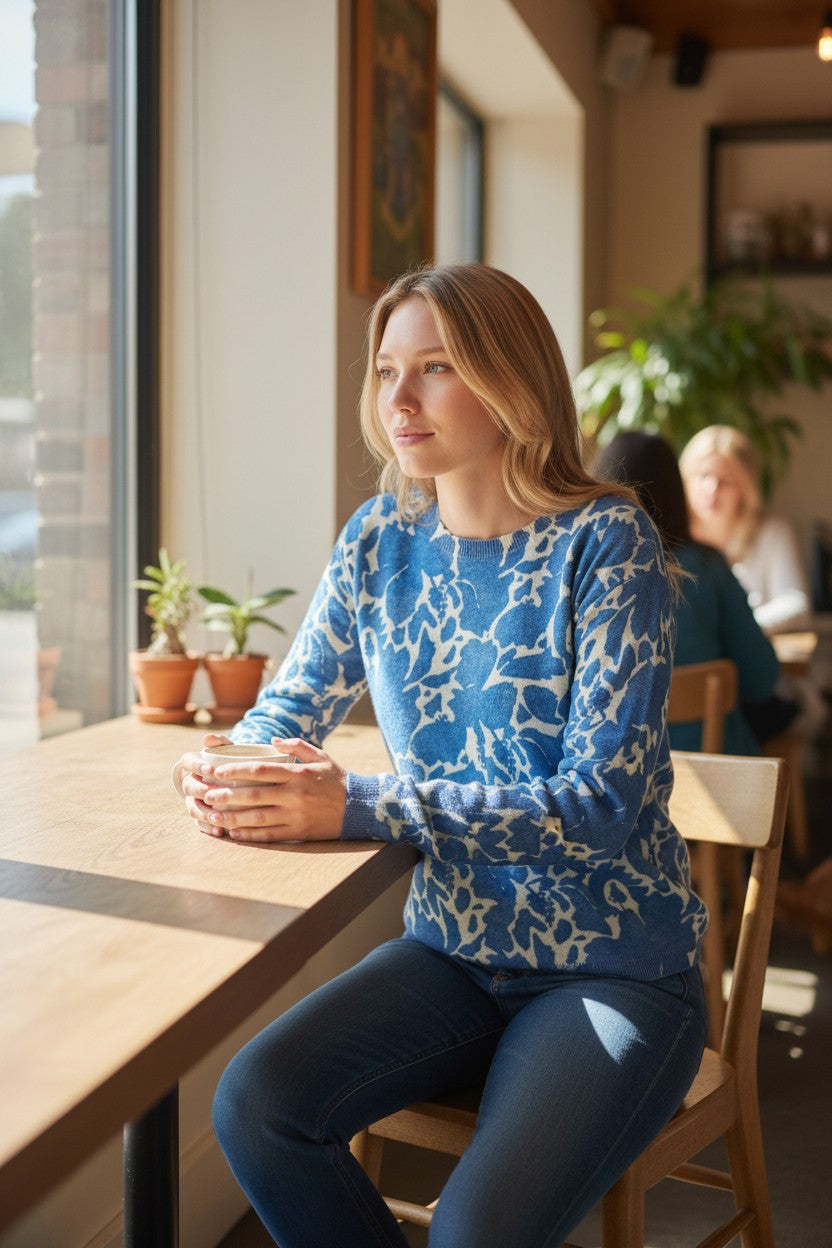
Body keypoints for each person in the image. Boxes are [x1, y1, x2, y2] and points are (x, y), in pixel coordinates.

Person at [173, 263, 707, 1248]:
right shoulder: (379, 539)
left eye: (435, 368)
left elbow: (598, 806)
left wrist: (359, 804)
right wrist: (229, 767)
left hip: (613, 968)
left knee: (472, 1233)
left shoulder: (607, 540)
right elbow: (289, 707)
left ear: (510, 383)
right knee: (258, 1104)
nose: (399, 399)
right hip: (452, 951)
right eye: (386, 371)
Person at [593, 430, 780, 755]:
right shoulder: (706, 567)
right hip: (712, 778)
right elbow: (763, 678)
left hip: (611, 782)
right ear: (678, 492)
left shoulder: (578, 573)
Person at [679, 423, 826, 738]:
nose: (712, 489)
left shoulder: (772, 533)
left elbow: (796, 604)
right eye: (702, 476)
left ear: (746, 488)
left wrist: (740, 625)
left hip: (757, 690)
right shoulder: (677, 545)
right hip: (691, 704)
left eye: (726, 480)